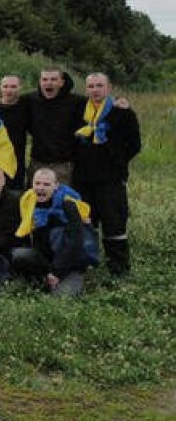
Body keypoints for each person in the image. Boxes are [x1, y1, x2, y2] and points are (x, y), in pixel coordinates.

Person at [72, 73, 141, 276]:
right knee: (85, 224)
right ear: (86, 89)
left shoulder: (122, 112)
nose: (95, 90)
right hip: (83, 179)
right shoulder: (79, 112)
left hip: (111, 179)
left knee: (114, 224)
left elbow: (135, 145)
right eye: (91, 86)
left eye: (99, 85)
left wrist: (116, 161)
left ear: (109, 88)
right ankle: (84, 267)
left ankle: (118, 271)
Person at [12, 168, 98, 296]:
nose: (41, 188)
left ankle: (64, 279)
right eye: (37, 183)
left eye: (46, 184)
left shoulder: (69, 205)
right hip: (47, 259)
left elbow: (74, 244)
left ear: (56, 186)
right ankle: (42, 280)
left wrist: (57, 273)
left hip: (71, 263)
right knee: (19, 255)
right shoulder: (28, 201)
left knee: (61, 297)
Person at [23, 67, 86, 185]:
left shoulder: (77, 101)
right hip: (37, 162)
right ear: (40, 81)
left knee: (62, 200)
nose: (49, 83)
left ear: (61, 82)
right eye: (45, 79)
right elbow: (8, 102)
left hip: (64, 165)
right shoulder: (30, 99)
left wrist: (118, 101)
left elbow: (99, 103)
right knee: (34, 199)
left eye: (53, 79)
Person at [0, 74, 28, 189]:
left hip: (17, 159)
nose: (9, 90)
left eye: (13, 87)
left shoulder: (26, 105)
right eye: (5, 86)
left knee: (14, 194)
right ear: (0, 87)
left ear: (20, 88)